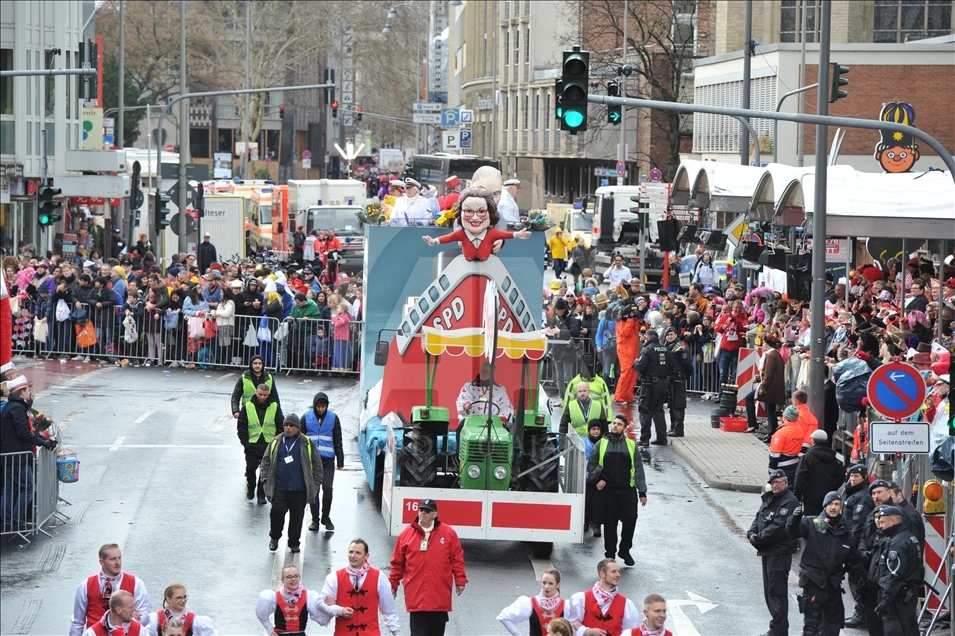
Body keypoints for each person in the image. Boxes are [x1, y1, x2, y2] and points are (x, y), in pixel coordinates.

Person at [389, 498, 468, 636]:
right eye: (421, 510)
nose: (422, 513)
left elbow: (457, 559)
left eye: (427, 511)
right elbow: (397, 563)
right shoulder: (405, 535)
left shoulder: (448, 534)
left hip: (439, 595)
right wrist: (392, 584)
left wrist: (460, 580)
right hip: (416, 596)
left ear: (434, 514)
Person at [786, 491, 855, 636]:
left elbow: (851, 559)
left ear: (841, 507)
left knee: (833, 623)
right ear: (825, 506)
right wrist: (794, 519)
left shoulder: (846, 530)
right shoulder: (812, 522)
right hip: (814, 581)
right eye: (830, 504)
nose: (833, 507)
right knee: (812, 623)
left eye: (837, 504)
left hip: (833, 583)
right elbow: (794, 532)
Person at [588, 414, 648, 566]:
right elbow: (592, 465)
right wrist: (597, 480)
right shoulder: (601, 444)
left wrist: (642, 492)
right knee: (610, 525)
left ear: (624, 428)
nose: (615, 426)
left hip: (627, 491)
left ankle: (624, 550)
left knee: (631, 520)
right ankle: (610, 554)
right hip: (608, 491)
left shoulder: (631, 445)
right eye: (614, 423)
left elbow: (639, 469)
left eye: (619, 424)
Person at [259, 413, 322, 553]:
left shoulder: (306, 442)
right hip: (280, 487)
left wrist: (315, 485)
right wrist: (265, 480)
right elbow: (265, 461)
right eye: (286, 425)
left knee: (296, 518)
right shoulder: (276, 442)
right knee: (277, 511)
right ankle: (274, 537)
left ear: (298, 428)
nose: (288, 428)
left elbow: (317, 465)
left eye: (291, 426)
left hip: (299, 489)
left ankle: (294, 543)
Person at [747, 469, 799, 636]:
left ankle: (778, 631)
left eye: (778, 482)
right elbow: (759, 518)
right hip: (767, 551)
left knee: (776, 593)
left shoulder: (789, 502)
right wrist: (751, 533)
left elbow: (779, 528)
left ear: (786, 483)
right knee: (769, 593)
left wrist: (759, 538)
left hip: (779, 553)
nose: (775, 485)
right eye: (773, 483)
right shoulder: (770, 498)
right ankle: (778, 629)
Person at [0, 376, 56, 530]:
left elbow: (28, 431)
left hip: (12, 454)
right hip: (17, 455)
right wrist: (42, 441)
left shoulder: (13, 407)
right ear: (21, 392)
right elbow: (23, 432)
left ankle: (7, 520)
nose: (29, 392)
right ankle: (17, 521)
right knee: (28, 488)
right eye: (27, 390)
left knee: (10, 489)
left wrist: (42, 439)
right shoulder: (17, 408)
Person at [421, 187, 531, 262]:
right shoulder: (462, 228)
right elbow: (450, 235)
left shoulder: (492, 228)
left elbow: (502, 226)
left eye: (481, 212)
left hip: (488, 262)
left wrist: (511, 236)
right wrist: (435, 241)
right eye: (469, 212)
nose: (475, 217)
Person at [317, 538, 401, 636]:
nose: (353, 556)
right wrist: (339, 610)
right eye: (351, 552)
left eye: (358, 553)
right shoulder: (334, 577)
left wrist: (396, 633)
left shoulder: (379, 577)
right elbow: (320, 604)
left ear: (366, 556)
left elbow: (389, 610)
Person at [70, 543, 151, 636]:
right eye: (113, 559)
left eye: (119, 558)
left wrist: (128, 616)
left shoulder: (136, 583)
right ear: (101, 562)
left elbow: (145, 616)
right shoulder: (85, 585)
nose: (118, 562)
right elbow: (77, 622)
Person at [871, 505, 922, 636]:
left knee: (896, 630)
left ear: (893, 521)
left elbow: (895, 575)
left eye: (882, 522)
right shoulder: (907, 537)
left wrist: (885, 600)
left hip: (897, 599)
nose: (880, 525)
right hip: (906, 594)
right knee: (909, 628)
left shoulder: (897, 543)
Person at [302, 391, 344, 532]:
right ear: (314, 405)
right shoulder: (306, 418)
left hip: (327, 460)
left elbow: (338, 439)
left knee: (327, 487)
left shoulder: (333, 418)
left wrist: (340, 459)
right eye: (318, 406)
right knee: (314, 490)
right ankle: (315, 520)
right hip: (312, 461)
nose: (321, 409)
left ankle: (326, 517)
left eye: (323, 406)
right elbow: (300, 440)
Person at [564, 559, 642, 633]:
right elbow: (570, 628)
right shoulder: (582, 599)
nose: (618, 575)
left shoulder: (626, 604)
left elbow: (630, 632)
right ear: (602, 574)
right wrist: (587, 631)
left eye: (618, 572)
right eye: (613, 572)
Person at [237, 383, 284, 505]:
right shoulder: (248, 407)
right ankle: (250, 486)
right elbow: (241, 426)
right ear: (256, 393)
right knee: (251, 468)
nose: (262, 397)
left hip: (268, 445)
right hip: (252, 445)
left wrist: (276, 443)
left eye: (265, 395)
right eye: (260, 394)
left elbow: (280, 425)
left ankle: (261, 494)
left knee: (265, 472)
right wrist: (245, 443)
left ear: (268, 394)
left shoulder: (274, 406)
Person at [842, 465, 873, 628]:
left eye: (857, 476)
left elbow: (857, 525)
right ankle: (862, 613)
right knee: (855, 580)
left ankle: (862, 614)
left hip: (856, 546)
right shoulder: (853, 493)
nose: (853, 479)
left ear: (864, 478)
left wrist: (850, 548)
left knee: (858, 580)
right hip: (853, 544)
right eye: (851, 476)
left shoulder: (863, 496)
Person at [255, 565, 325, 635]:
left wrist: (331, 608)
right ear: (282, 580)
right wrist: (269, 628)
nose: (293, 579)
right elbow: (261, 614)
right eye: (289, 577)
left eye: (296, 576)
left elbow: (321, 619)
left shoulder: (308, 596)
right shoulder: (274, 597)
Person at [634, 329, 674, 449]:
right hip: (662, 383)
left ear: (648, 337)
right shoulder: (665, 349)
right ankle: (662, 438)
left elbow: (640, 366)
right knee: (658, 410)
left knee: (645, 410)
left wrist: (635, 363)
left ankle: (644, 439)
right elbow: (672, 366)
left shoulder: (647, 349)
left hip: (649, 384)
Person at [497, 568, 565, 636]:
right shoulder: (530, 603)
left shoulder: (566, 606)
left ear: (558, 584)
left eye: (550, 583)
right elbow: (503, 617)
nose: (546, 587)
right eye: (544, 583)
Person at [793, 429, 845, 516]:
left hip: (810, 498)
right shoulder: (834, 459)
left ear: (813, 441)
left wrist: (796, 496)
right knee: (825, 522)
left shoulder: (807, 458)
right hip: (827, 498)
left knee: (811, 523)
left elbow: (800, 477)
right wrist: (832, 489)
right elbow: (841, 477)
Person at [146, 584, 216, 636]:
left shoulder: (195, 621)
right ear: (168, 599)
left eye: (185, 597)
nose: (183, 601)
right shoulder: (155, 619)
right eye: (178, 598)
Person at [545, 299, 580, 397]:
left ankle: (571, 395)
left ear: (563, 309)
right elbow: (552, 330)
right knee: (559, 376)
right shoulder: (556, 318)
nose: (556, 312)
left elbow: (574, 331)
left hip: (568, 350)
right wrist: (548, 332)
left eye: (558, 310)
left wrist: (560, 331)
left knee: (568, 375)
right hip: (557, 350)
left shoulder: (572, 319)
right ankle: (562, 395)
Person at [663, 327, 693, 437]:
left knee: (678, 405)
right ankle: (673, 427)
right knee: (671, 405)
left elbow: (687, 363)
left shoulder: (680, 346)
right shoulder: (667, 346)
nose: (670, 336)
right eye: (668, 335)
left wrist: (686, 375)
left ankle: (678, 429)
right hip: (670, 379)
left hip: (678, 378)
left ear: (676, 335)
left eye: (671, 334)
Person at [768, 406, 805, 483]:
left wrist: (771, 472)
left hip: (782, 468)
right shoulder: (799, 430)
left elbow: (775, 454)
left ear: (786, 416)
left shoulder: (781, 433)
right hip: (794, 465)